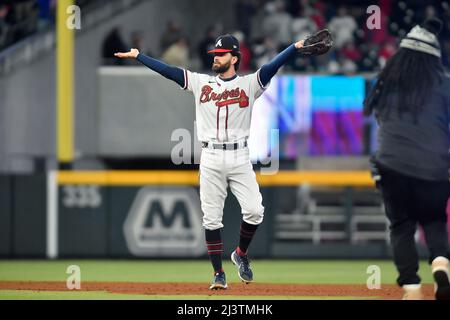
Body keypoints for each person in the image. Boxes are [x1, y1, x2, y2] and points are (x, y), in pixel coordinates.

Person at [114, 31, 331, 290]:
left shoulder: (250, 85)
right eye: (215, 55)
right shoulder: (200, 83)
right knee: (211, 219)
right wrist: (140, 57)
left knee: (254, 211)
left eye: (221, 54)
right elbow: (169, 71)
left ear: (235, 58)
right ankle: (218, 274)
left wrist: (294, 48)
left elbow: (273, 66)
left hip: (240, 156)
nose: (216, 58)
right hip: (211, 156)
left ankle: (240, 254)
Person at [364, 18, 450, 300]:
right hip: (433, 167)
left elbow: (379, 124)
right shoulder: (444, 84)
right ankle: (441, 264)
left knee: (401, 226)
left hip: (392, 165)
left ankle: (412, 287)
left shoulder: (385, 83)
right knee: (435, 221)